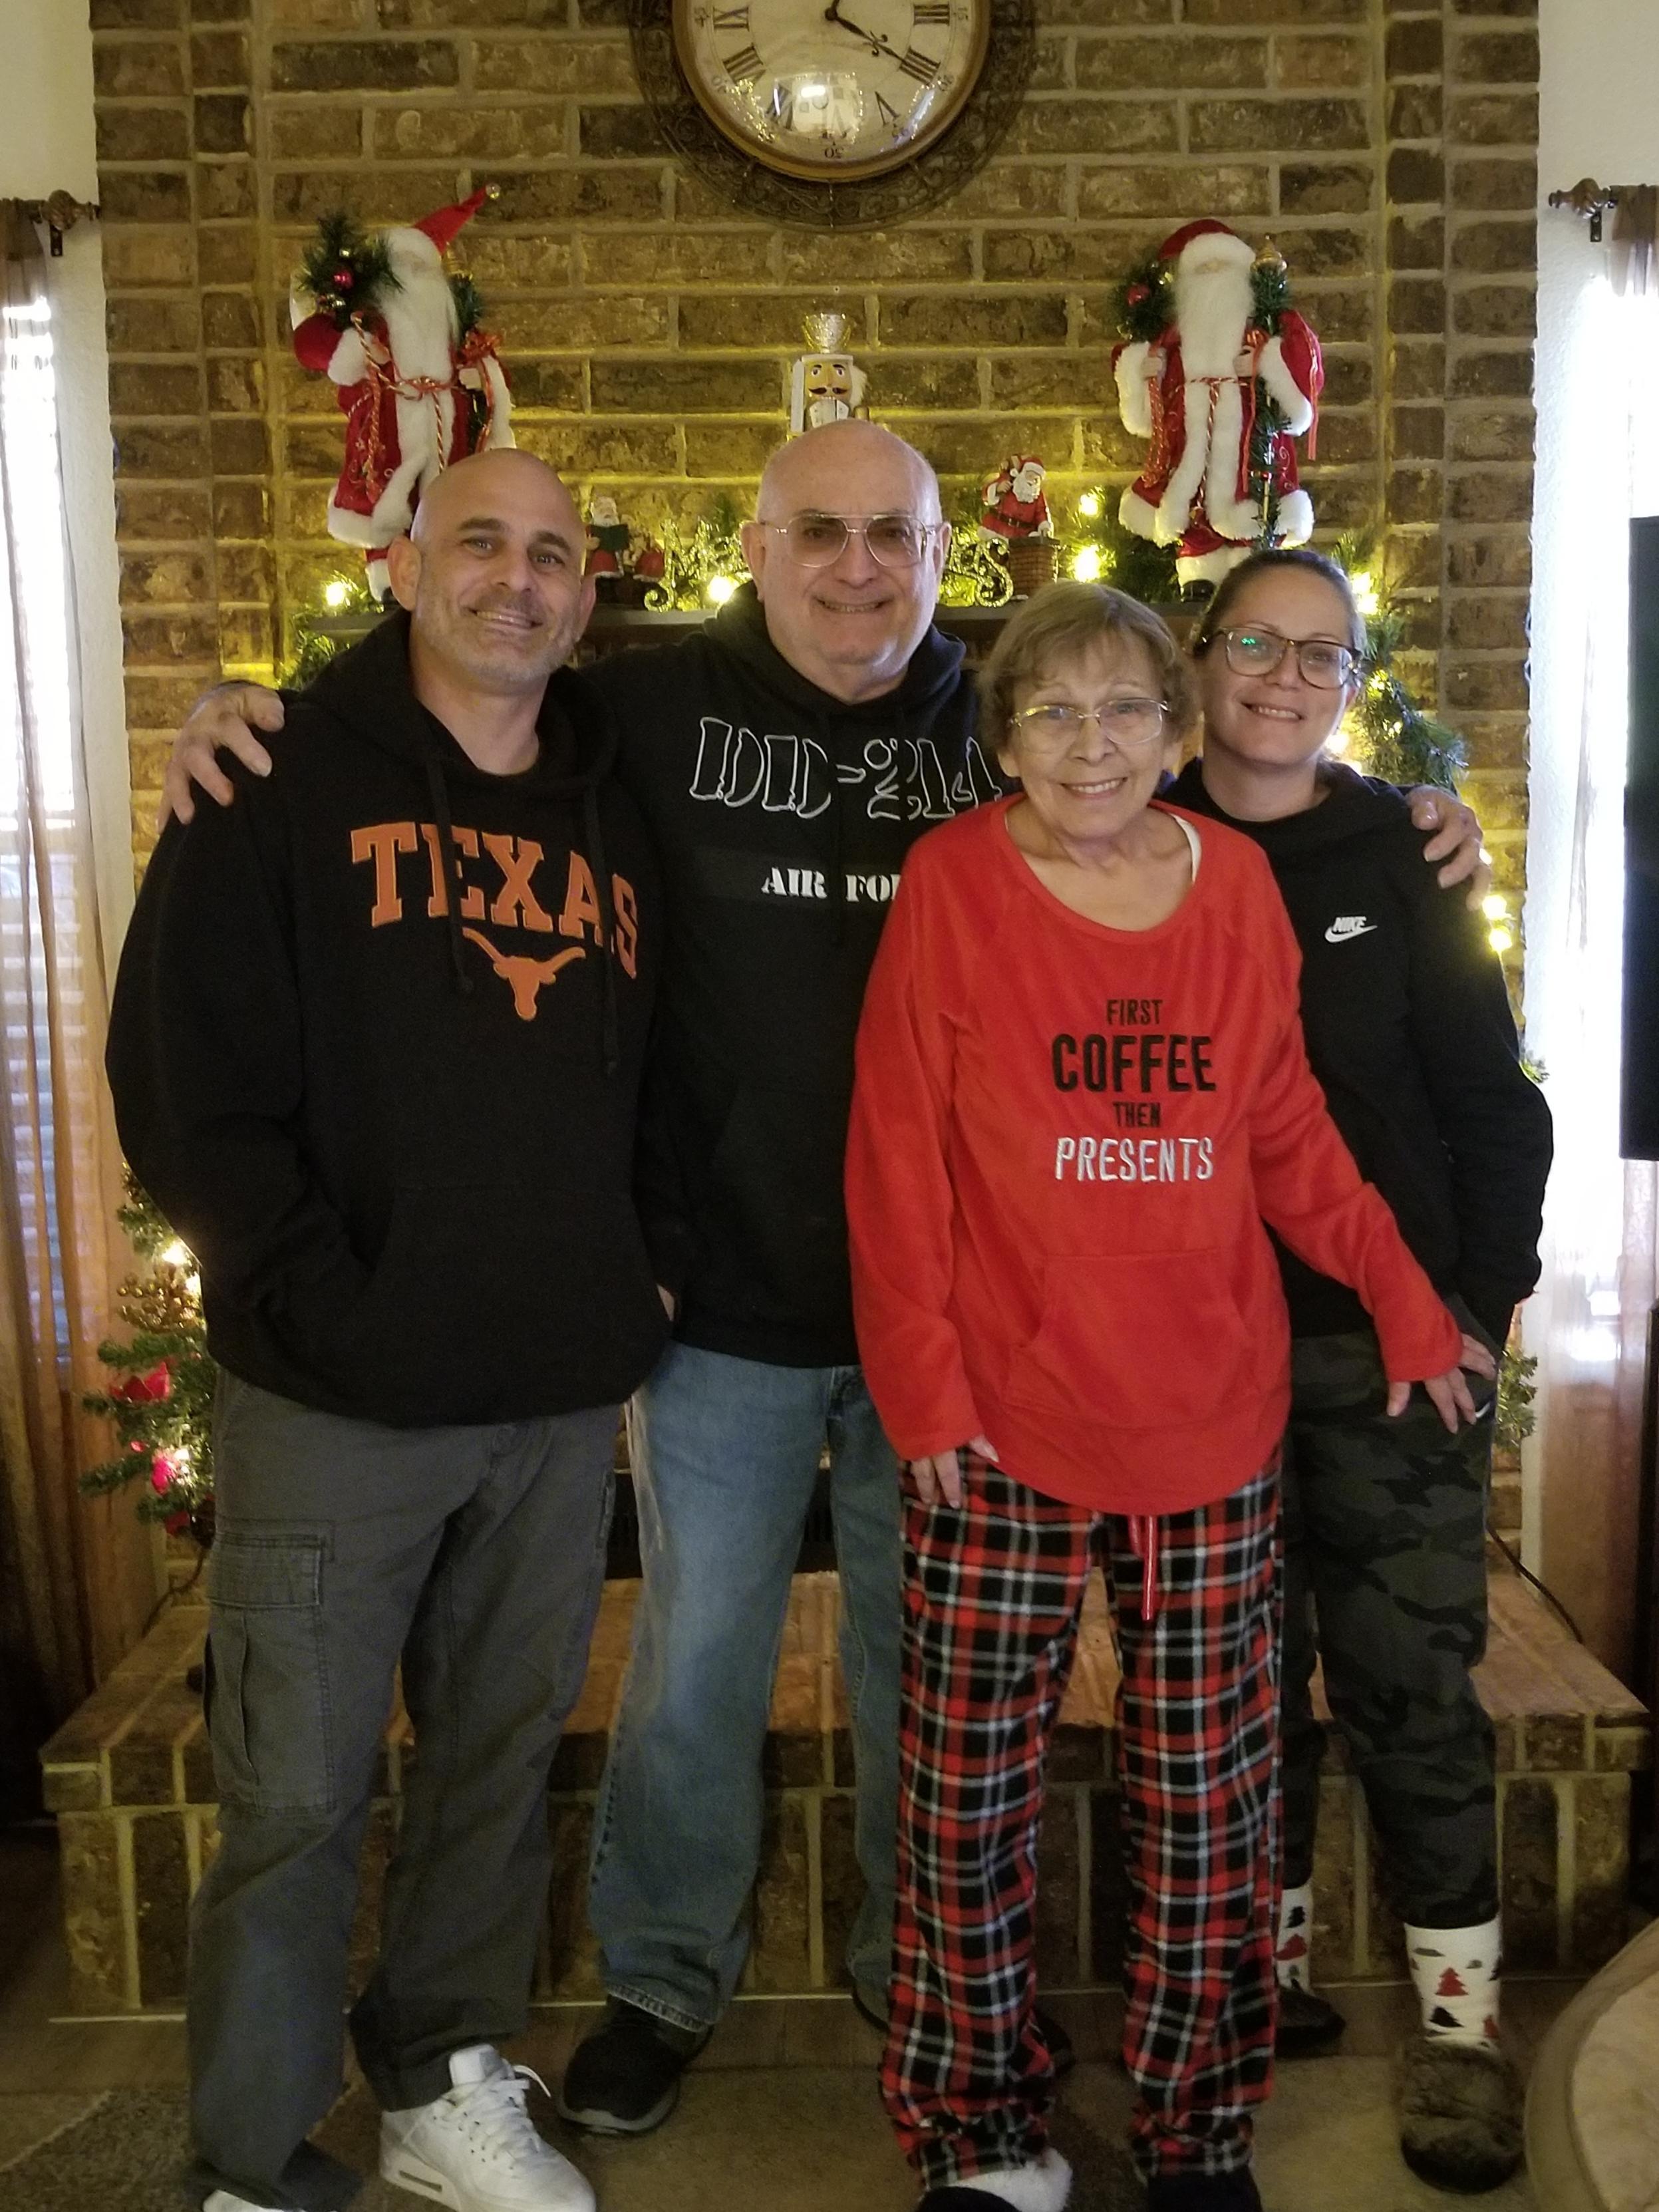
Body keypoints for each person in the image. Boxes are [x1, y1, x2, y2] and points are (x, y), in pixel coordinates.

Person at [157, 422, 1489, 2145]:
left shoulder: (1001, 709)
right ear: (756, 545)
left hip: (976, 1324)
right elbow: (469, 695)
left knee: (917, 1689)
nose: (856, 567)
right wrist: (260, 711)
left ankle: (907, 1977)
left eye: (892, 535)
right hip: (727, 1295)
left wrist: (1401, 808)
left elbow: (1206, 806)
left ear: (942, 559)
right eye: (817, 532)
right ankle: (663, 1977)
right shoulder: (640, 702)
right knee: (696, 1658)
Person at [843, 579, 1495, 2212]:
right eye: (1051, 712)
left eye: (1124, 708)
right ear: (1003, 740)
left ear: (1173, 727)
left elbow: (1281, 1129)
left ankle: (1195, 2127)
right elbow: (895, 1150)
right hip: (998, 1417)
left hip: (1208, 1414)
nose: (1090, 743)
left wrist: (1408, 1301)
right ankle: (982, 2132)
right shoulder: (950, 882)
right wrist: (921, 1389)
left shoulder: (1237, 887)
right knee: (962, 1801)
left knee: (1209, 1805)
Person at [108, 448, 668, 2212]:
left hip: (551, 1398)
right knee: (292, 1791)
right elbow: (180, 1080)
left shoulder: (621, 797)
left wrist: (637, 1274)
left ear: (586, 595)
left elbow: (682, 1060)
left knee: (494, 1765)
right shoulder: (270, 774)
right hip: (330, 1395)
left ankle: (437, 2075)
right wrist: (310, 1300)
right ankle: (250, 2152)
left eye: (552, 553)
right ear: (406, 567)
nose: (517, 577)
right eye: (478, 540)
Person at [1168, 549, 1553, 2195]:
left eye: (1320, 653)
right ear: (1200, 657)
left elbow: (1491, 1102)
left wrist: (1477, 1307)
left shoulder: (1404, 849)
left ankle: (1459, 2031)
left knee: (1407, 1687)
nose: (1283, 675)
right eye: (1256, 641)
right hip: (1193, 1356)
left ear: (1349, 680)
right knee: (1237, 1696)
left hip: (1390, 1352)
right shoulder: (1126, 833)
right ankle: (1266, 1979)